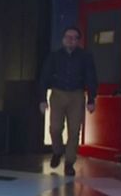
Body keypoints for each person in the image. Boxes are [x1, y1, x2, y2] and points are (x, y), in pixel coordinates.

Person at [38, 26, 98, 176]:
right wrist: (42, 99)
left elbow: (91, 77)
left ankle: (69, 163)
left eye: (74, 38)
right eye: (67, 37)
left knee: (74, 130)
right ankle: (57, 151)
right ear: (63, 39)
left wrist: (91, 99)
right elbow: (44, 77)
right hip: (58, 94)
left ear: (78, 41)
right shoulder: (54, 56)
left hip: (77, 94)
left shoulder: (85, 57)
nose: (70, 40)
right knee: (55, 128)